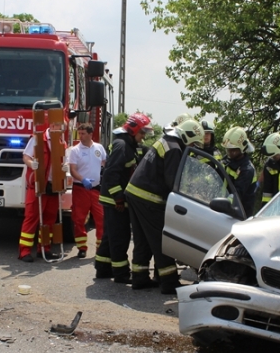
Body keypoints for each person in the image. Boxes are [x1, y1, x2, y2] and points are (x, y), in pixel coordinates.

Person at [125, 119, 205, 294]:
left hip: (135, 193)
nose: (193, 146)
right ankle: (169, 282)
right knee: (161, 240)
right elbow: (173, 181)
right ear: (187, 136)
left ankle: (139, 278)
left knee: (142, 240)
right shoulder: (175, 149)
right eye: (193, 143)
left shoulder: (168, 141)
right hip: (149, 198)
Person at [94, 112, 152, 281]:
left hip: (114, 199)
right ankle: (121, 274)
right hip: (114, 200)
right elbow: (111, 174)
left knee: (110, 235)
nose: (143, 137)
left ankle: (103, 268)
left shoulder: (128, 145)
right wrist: (119, 198)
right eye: (142, 133)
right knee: (120, 237)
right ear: (133, 130)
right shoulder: (122, 146)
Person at [18, 129, 67, 262]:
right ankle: (24, 251)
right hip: (38, 185)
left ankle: (44, 249)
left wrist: (65, 167)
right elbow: (26, 156)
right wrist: (31, 164)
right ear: (51, 124)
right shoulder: (37, 139)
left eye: (61, 125)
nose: (60, 127)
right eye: (57, 124)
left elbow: (64, 160)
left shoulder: (61, 142)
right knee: (32, 218)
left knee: (49, 220)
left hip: (53, 186)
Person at [68, 123, 107, 258]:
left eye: (83, 134)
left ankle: (100, 249)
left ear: (91, 134)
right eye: (79, 133)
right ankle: (82, 247)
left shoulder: (99, 148)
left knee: (101, 219)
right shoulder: (75, 150)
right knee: (79, 219)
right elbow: (72, 170)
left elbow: (104, 163)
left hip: (96, 189)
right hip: (80, 189)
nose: (81, 136)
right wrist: (83, 179)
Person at [221, 126, 258, 217]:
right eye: (228, 149)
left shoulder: (247, 170)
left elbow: (235, 196)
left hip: (238, 215)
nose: (229, 152)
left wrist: (221, 205)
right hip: (225, 210)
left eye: (233, 150)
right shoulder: (228, 160)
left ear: (242, 149)